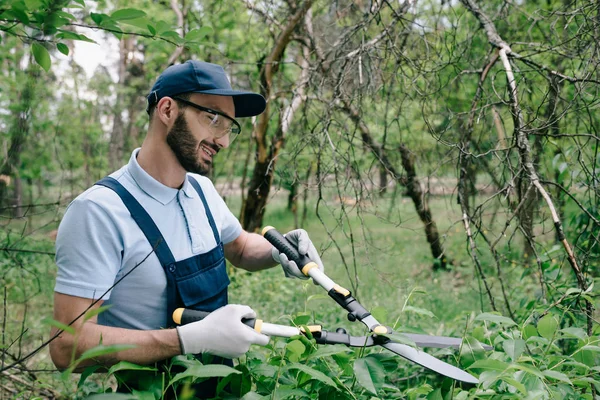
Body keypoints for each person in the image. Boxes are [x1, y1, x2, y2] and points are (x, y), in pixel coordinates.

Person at [49, 60, 324, 393]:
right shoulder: (98, 212)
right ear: (167, 109)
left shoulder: (201, 190)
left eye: (229, 127)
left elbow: (238, 247)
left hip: (218, 385)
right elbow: (66, 345)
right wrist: (185, 339)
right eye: (213, 119)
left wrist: (280, 250)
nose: (222, 140)